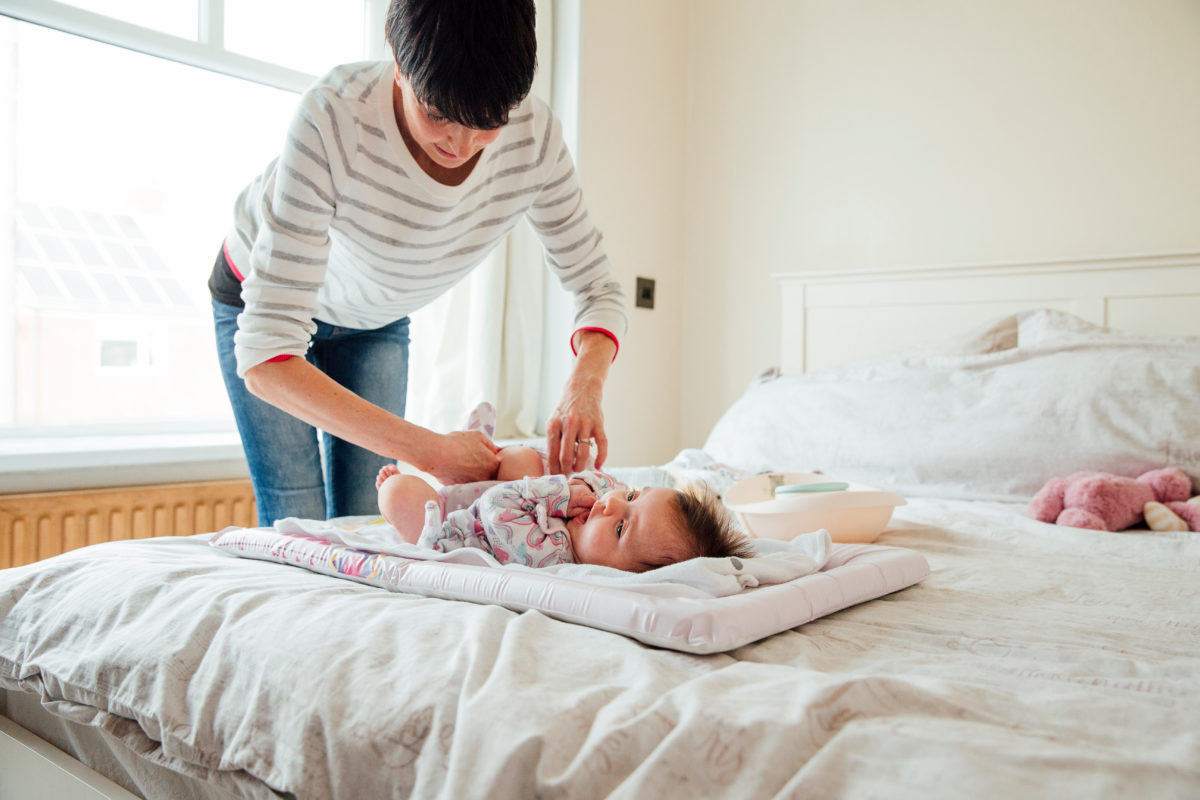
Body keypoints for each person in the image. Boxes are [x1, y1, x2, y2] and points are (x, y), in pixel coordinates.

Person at [209, 0, 627, 526]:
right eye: (437, 115)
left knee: (370, 519)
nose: (461, 145)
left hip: (377, 314)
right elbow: (267, 355)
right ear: (396, 57)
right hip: (261, 302)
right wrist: (432, 450)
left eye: (488, 124)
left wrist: (583, 387)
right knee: (298, 517)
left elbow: (599, 289)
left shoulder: (534, 139)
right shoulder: (334, 115)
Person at [374, 466, 755, 571]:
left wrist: (560, 493)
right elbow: (607, 482)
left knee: (398, 493)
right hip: (496, 501)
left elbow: (498, 506)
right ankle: (464, 473)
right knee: (524, 458)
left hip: (453, 528)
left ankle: (442, 490)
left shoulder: (550, 555)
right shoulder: (598, 513)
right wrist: (585, 486)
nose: (610, 504)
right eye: (633, 496)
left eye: (621, 528)